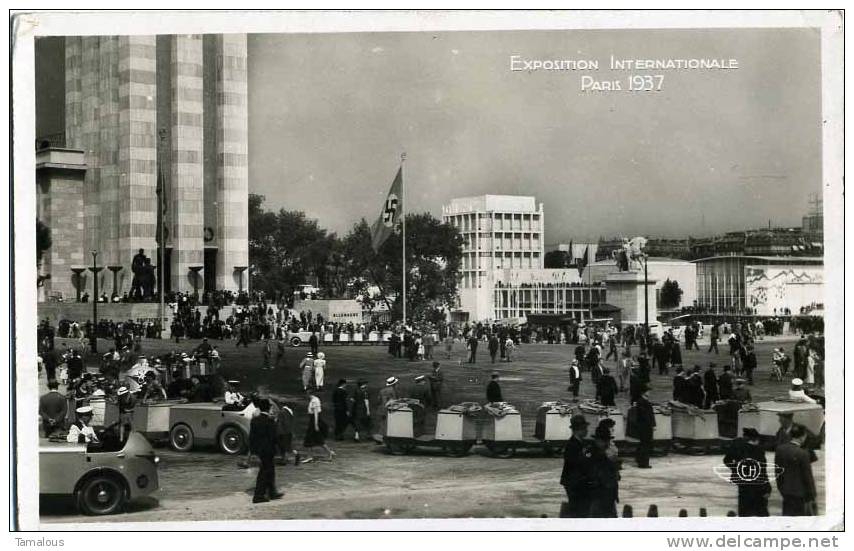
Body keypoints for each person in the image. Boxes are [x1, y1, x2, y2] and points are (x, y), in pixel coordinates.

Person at [724, 428, 771, 517]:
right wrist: (768, 488)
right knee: (762, 515)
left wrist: (737, 470)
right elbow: (763, 472)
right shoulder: (759, 451)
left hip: (743, 486)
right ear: (756, 439)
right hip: (758, 488)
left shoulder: (738, 448)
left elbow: (726, 460)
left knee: (744, 513)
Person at [775, 424, 817, 516]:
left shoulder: (780, 450)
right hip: (800, 494)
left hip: (785, 491)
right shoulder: (803, 453)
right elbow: (807, 476)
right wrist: (812, 495)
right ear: (803, 436)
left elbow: (778, 473)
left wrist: (781, 488)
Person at [249, 398, 283, 503]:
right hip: (268, 450)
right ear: (268, 408)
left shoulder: (254, 420)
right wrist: (281, 449)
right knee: (264, 472)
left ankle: (272, 492)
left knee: (269, 470)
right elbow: (274, 437)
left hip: (259, 450)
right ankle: (258, 495)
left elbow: (251, 437)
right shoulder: (270, 421)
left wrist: (253, 451)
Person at [560, 414, 591, 518]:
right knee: (577, 507)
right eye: (585, 429)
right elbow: (574, 463)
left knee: (579, 506)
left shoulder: (581, 443)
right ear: (578, 430)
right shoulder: (572, 445)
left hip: (577, 481)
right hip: (573, 482)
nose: (586, 431)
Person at [588, 422, 620, 518]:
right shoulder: (592, 453)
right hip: (597, 495)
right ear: (597, 440)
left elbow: (615, 476)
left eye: (607, 440)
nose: (606, 443)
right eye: (603, 440)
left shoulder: (608, 453)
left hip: (609, 495)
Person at [303, 389, 334, 461]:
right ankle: (310, 456)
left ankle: (329, 453)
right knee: (310, 438)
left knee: (318, 439)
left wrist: (316, 424)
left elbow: (316, 413)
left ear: (309, 394)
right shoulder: (313, 400)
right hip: (312, 420)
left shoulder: (314, 401)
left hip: (314, 420)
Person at [633, 386, 656, 468]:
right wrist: (652, 424)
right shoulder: (642, 402)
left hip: (644, 425)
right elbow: (646, 415)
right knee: (645, 444)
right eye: (648, 391)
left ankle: (640, 460)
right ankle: (644, 463)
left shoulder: (642, 401)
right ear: (644, 392)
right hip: (645, 426)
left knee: (643, 443)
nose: (649, 393)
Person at [275, 400, 300, 466]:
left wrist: (278, 431)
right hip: (288, 432)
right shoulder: (289, 412)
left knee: (284, 447)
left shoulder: (282, 412)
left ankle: (292, 457)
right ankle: (284, 459)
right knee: (286, 447)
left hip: (282, 432)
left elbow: (280, 423)